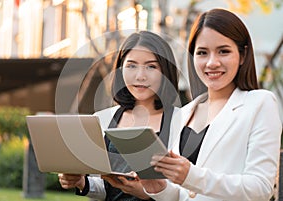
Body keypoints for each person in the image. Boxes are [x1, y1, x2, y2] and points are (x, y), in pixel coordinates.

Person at [141, 8, 282, 201]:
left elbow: (260, 188)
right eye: (202, 53)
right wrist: (158, 187)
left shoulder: (260, 103)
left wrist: (191, 176)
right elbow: (184, 195)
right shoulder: (184, 113)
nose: (212, 63)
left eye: (223, 51)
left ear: (242, 55)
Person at [58, 30, 183, 200]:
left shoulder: (183, 121)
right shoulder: (102, 119)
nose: (140, 76)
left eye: (151, 66)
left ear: (165, 72)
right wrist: (81, 182)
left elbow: (186, 193)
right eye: (131, 65)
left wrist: (145, 193)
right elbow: (106, 188)